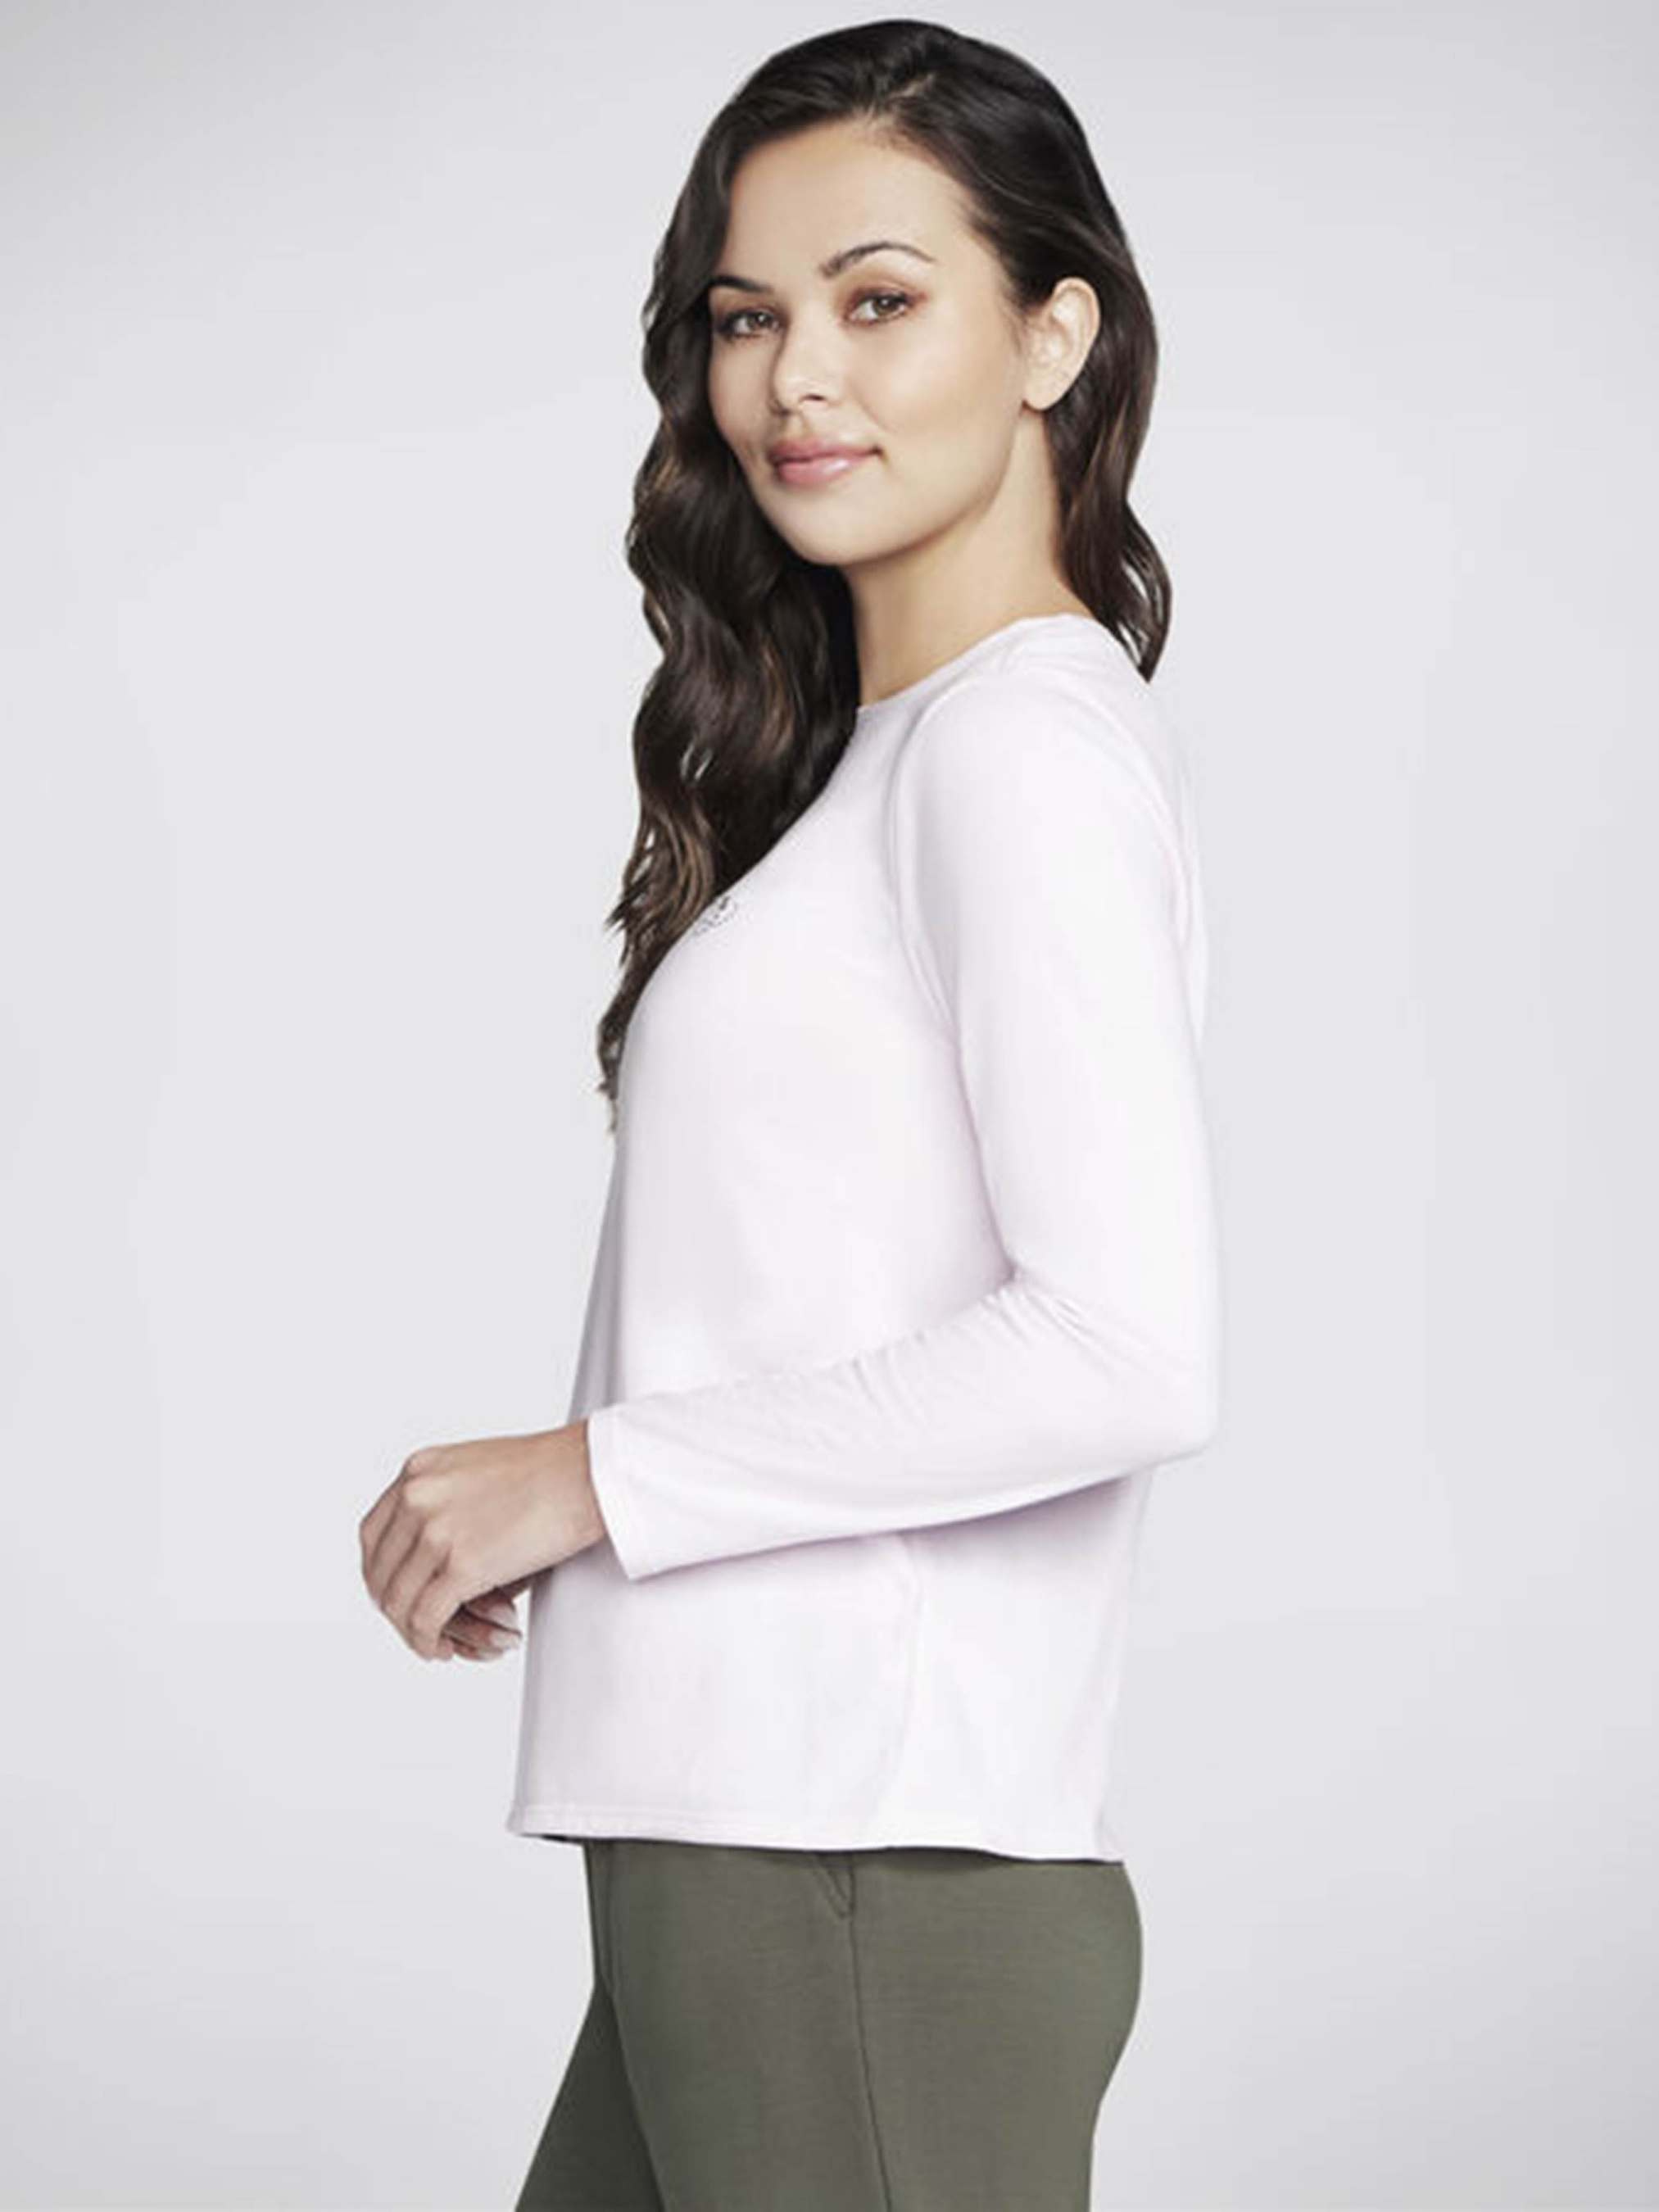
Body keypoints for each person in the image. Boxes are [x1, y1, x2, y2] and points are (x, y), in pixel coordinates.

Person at [359, 19, 1224, 2209]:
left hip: (862, 1871)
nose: (794, 380)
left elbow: (1125, 1348)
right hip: (744, 1856)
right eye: (747, 318)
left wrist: (587, 1478)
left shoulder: (1018, 750)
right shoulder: (883, 762)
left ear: (1052, 337)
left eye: (878, 298)